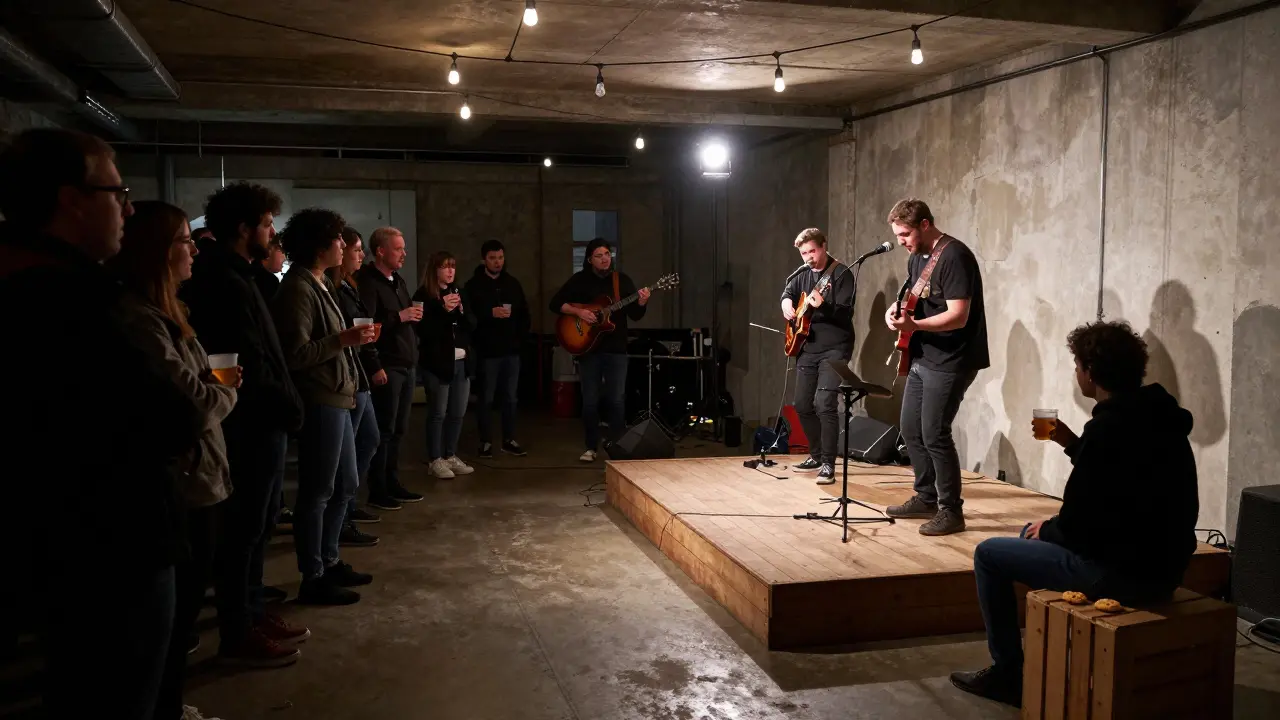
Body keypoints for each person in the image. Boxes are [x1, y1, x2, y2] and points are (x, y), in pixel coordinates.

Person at [0, 128, 203, 718]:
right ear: (71, 199)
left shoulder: (38, 284)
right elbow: (167, 414)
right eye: (118, 192)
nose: (128, 207)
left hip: (71, 541)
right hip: (111, 542)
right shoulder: (74, 303)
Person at [950, 320, 1199, 707]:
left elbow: (1082, 522)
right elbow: (1122, 480)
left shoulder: (1109, 429)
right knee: (1027, 542)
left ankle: (1008, 674)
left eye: (1077, 366)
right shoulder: (1159, 417)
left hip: (1122, 573)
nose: (1076, 373)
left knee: (990, 555)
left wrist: (1046, 529)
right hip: (1165, 567)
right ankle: (1057, 650)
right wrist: (1070, 442)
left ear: (1091, 372)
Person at [110, 200, 240, 720]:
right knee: (171, 616)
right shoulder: (139, 319)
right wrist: (226, 393)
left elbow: (201, 386)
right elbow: (199, 400)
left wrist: (213, 388)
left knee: (181, 614)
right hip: (184, 483)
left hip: (202, 474)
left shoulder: (170, 312)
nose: (194, 249)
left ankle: (166, 703)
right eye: (186, 240)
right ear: (161, 252)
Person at [180, 181, 308, 666]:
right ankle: (239, 632)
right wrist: (288, 405)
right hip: (251, 423)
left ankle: (253, 611)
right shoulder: (224, 281)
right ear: (244, 228)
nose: (272, 233)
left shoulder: (243, 274)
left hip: (264, 419)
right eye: (267, 224)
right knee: (244, 530)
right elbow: (248, 361)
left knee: (258, 524)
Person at [271, 208, 376, 605]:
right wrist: (343, 341)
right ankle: (312, 574)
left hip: (339, 396)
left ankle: (329, 560)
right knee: (317, 491)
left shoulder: (320, 283)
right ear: (319, 245)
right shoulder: (299, 288)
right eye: (336, 239)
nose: (343, 245)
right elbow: (295, 353)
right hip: (320, 399)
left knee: (345, 483)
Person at [882, 198, 989, 536]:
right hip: (924, 355)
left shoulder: (955, 256)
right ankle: (925, 496)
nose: (901, 241)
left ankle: (951, 512)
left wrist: (914, 327)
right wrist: (895, 313)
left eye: (905, 234)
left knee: (935, 433)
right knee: (911, 429)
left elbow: (958, 315)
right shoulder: (918, 259)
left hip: (952, 358)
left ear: (925, 225)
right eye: (898, 235)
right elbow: (915, 302)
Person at [549, 238, 649, 462]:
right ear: (589, 259)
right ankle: (591, 446)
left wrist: (641, 302)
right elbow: (555, 303)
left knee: (616, 399)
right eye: (599, 255)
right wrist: (579, 312)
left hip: (616, 349)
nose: (605, 259)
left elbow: (635, 315)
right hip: (588, 350)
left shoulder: (621, 281)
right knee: (590, 400)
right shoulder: (580, 280)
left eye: (607, 254)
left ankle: (617, 446)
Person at [356, 227, 424, 509]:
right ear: (381, 251)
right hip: (388, 365)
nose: (404, 254)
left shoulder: (397, 280)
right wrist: (400, 316)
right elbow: (367, 325)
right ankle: (378, 488)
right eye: (398, 249)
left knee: (399, 429)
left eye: (404, 248)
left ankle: (393, 481)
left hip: (406, 363)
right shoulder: (368, 282)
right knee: (383, 430)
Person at [779, 228, 854, 484]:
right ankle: (816, 453)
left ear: (823, 246)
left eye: (812, 251)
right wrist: (786, 304)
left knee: (825, 404)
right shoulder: (801, 274)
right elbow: (788, 294)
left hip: (835, 347)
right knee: (802, 405)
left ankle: (829, 465)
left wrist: (825, 305)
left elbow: (845, 313)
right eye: (803, 253)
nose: (808, 257)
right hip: (807, 347)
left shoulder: (841, 273)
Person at [327, 226, 382, 546]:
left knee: (369, 439)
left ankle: (348, 505)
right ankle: (343, 515)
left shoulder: (348, 285)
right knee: (347, 457)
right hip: (347, 377)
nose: (362, 255)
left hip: (357, 372)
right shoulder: (332, 288)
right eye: (357, 249)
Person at [464, 239, 531, 458]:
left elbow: (524, 314)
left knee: (511, 397)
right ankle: (485, 441)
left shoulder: (512, 283)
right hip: (487, 352)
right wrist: (489, 314)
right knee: (486, 398)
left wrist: (520, 339)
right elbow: (468, 317)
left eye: (500, 257)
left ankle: (509, 439)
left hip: (511, 351)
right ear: (484, 259)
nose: (497, 262)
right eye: (493, 258)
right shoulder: (473, 286)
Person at [414, 251, 477, 479]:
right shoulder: (424, 295)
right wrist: (443, 310)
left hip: (461, 361)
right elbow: (422, 330)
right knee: (437, 412)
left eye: (452, 266)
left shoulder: (459, 291)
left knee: (458, 412)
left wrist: (461, 312)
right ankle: (435, 459)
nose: (450, 271)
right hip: (437, 363)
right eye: (444, 267)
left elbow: (472, 324)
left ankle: (451, 454)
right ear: (435, 270)